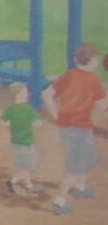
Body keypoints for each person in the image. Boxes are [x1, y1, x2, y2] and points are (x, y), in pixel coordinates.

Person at [44, 41, 106, 215]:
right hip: (80, 128)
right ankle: (60, 201)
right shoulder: (94, 81)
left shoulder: (68, 74)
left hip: (67, 127)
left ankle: (80, 186)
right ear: (93, 59)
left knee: (85, 157)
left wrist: (56, 115)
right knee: (75, 165)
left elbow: (47, 94)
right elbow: (103, 107)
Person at [0, 81, 40, 195]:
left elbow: (3, 122)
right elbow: (37, 123)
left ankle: (29, 185)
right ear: (19, 95)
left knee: (23, 165)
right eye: (25, 92)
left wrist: (13, 124)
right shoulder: (28, 109)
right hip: (27, 142)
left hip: (15, 142)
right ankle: (12, 181)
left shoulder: (10, 109)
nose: (28, 94)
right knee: (28, 166)